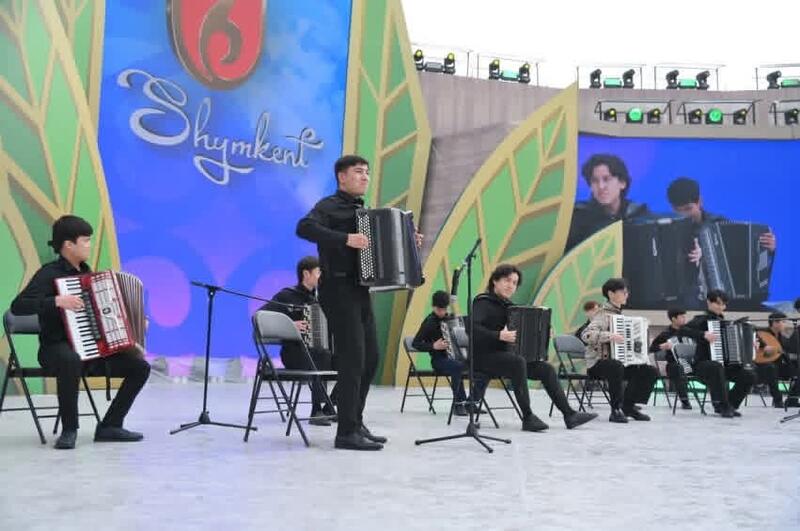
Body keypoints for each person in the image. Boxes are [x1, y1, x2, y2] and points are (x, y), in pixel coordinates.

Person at [297, 154, 422, 450]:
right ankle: (345, 432)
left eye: (367, 172)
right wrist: (345, 239)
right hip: (337, 288)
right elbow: (304, 228)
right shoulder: (329, 205)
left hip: (360, 290)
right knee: (352, 358)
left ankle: (355, 421)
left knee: (371, 358)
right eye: (358, 172)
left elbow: (379, 245)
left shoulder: (363, 212)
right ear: (342, 177)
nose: (365, 177)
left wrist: (408, 240)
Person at [10, 215, 150, 449]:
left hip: (89, 352)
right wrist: (56, 301)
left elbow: (104, 317)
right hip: (55, 350)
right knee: (70, 359)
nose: (89, 245)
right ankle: (69, 429)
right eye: (85, 240)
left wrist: (133, 326)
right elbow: (19, 306)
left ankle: (110, 426)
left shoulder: (89, 275)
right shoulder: (48, 273)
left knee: (140, 367)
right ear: (68, 245)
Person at [471, 264, 597, 432]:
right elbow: (471, 329)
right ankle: (528, 417)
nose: (511, 286)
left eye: (514, 283)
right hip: (484, 358)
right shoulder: (482, 303)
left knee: (546, 368)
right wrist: (498, 335)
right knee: (517, 362)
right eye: (507, 280)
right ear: (495, 281)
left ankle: (570, 415)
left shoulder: (511, 308)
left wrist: (544, 332)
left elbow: (523, 334)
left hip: (507, 358)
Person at [667, 177, 776, 307]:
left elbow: (740, 258)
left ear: (700, 202)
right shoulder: (671, 230)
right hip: (691, 299)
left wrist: (768, 249)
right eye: (678, 210)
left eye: (688, 209)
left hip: (727, 299)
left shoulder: (718, 223)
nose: (684, 214)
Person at [259, 256, 336, 425]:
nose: (322, 277)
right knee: (321, 354)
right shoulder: (287, 295)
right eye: (319, 272)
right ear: (306, 274)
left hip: (316, 354)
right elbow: (259, 317)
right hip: (293, 354)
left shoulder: (320, 298)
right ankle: (316, 410)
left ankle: (329, 407)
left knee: (349, 361)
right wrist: (289, 325)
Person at [581, 278, 659, 423]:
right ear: (611, 294)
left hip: (618, 364)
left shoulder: (620, 316)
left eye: (627, 292)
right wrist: (609, 336)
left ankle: (628, 406)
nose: (626, 295)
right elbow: (586, 335)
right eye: (623, 292)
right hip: (598, 364)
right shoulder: (601, 314)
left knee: (649, 370)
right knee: (615, 365)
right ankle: (615, 410)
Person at [683, 290, 756, 417]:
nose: (721, 307)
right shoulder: (701, 320)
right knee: (716, 366)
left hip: (724, 366)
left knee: (749, 374)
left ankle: (730, 405)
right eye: (718, 303)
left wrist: (751, 345)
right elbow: (682, 330)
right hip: (703, 365)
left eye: (723, 304)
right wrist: (703, 334)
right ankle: (722, 405)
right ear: (708, 302)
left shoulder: (725, 323)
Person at [566, 154, 652, 250]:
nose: (601, 186)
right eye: (595, 181)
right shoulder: (579, 217)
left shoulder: (639, 214)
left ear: (622, 183)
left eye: (606, 179)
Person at [412, 290, 469, 416]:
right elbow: (416, 343)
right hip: (439, 361)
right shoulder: (429, 322)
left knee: (479, 364)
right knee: (457, 366)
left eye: (444, 309)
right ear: (433, 307)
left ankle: (471, 402)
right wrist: (433, 346)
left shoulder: (451, 319)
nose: (442, 312)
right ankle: (458, 403)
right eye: (439, 309)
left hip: (456, 358)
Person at [648, 308, 696, 410]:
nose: (684, 319)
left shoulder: (689, 331)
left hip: (691, 364)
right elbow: (651, 349)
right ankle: (684, 400)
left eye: (684, 317)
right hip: (673, 365)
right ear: (674, 319)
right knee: (678, 368)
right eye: (682, 317)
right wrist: (662, 346)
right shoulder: (665, 334)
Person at [754, 312, 800, 408]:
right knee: (771, 368)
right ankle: (778, 400)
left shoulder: (782, 336)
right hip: (762, 368)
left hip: (780, 366)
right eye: (783, 322)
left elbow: (785, 352)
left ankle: (792, 400)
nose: (785, 324)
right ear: (775, 323)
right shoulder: (762, 332)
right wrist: (764, 346)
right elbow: (753, 337)